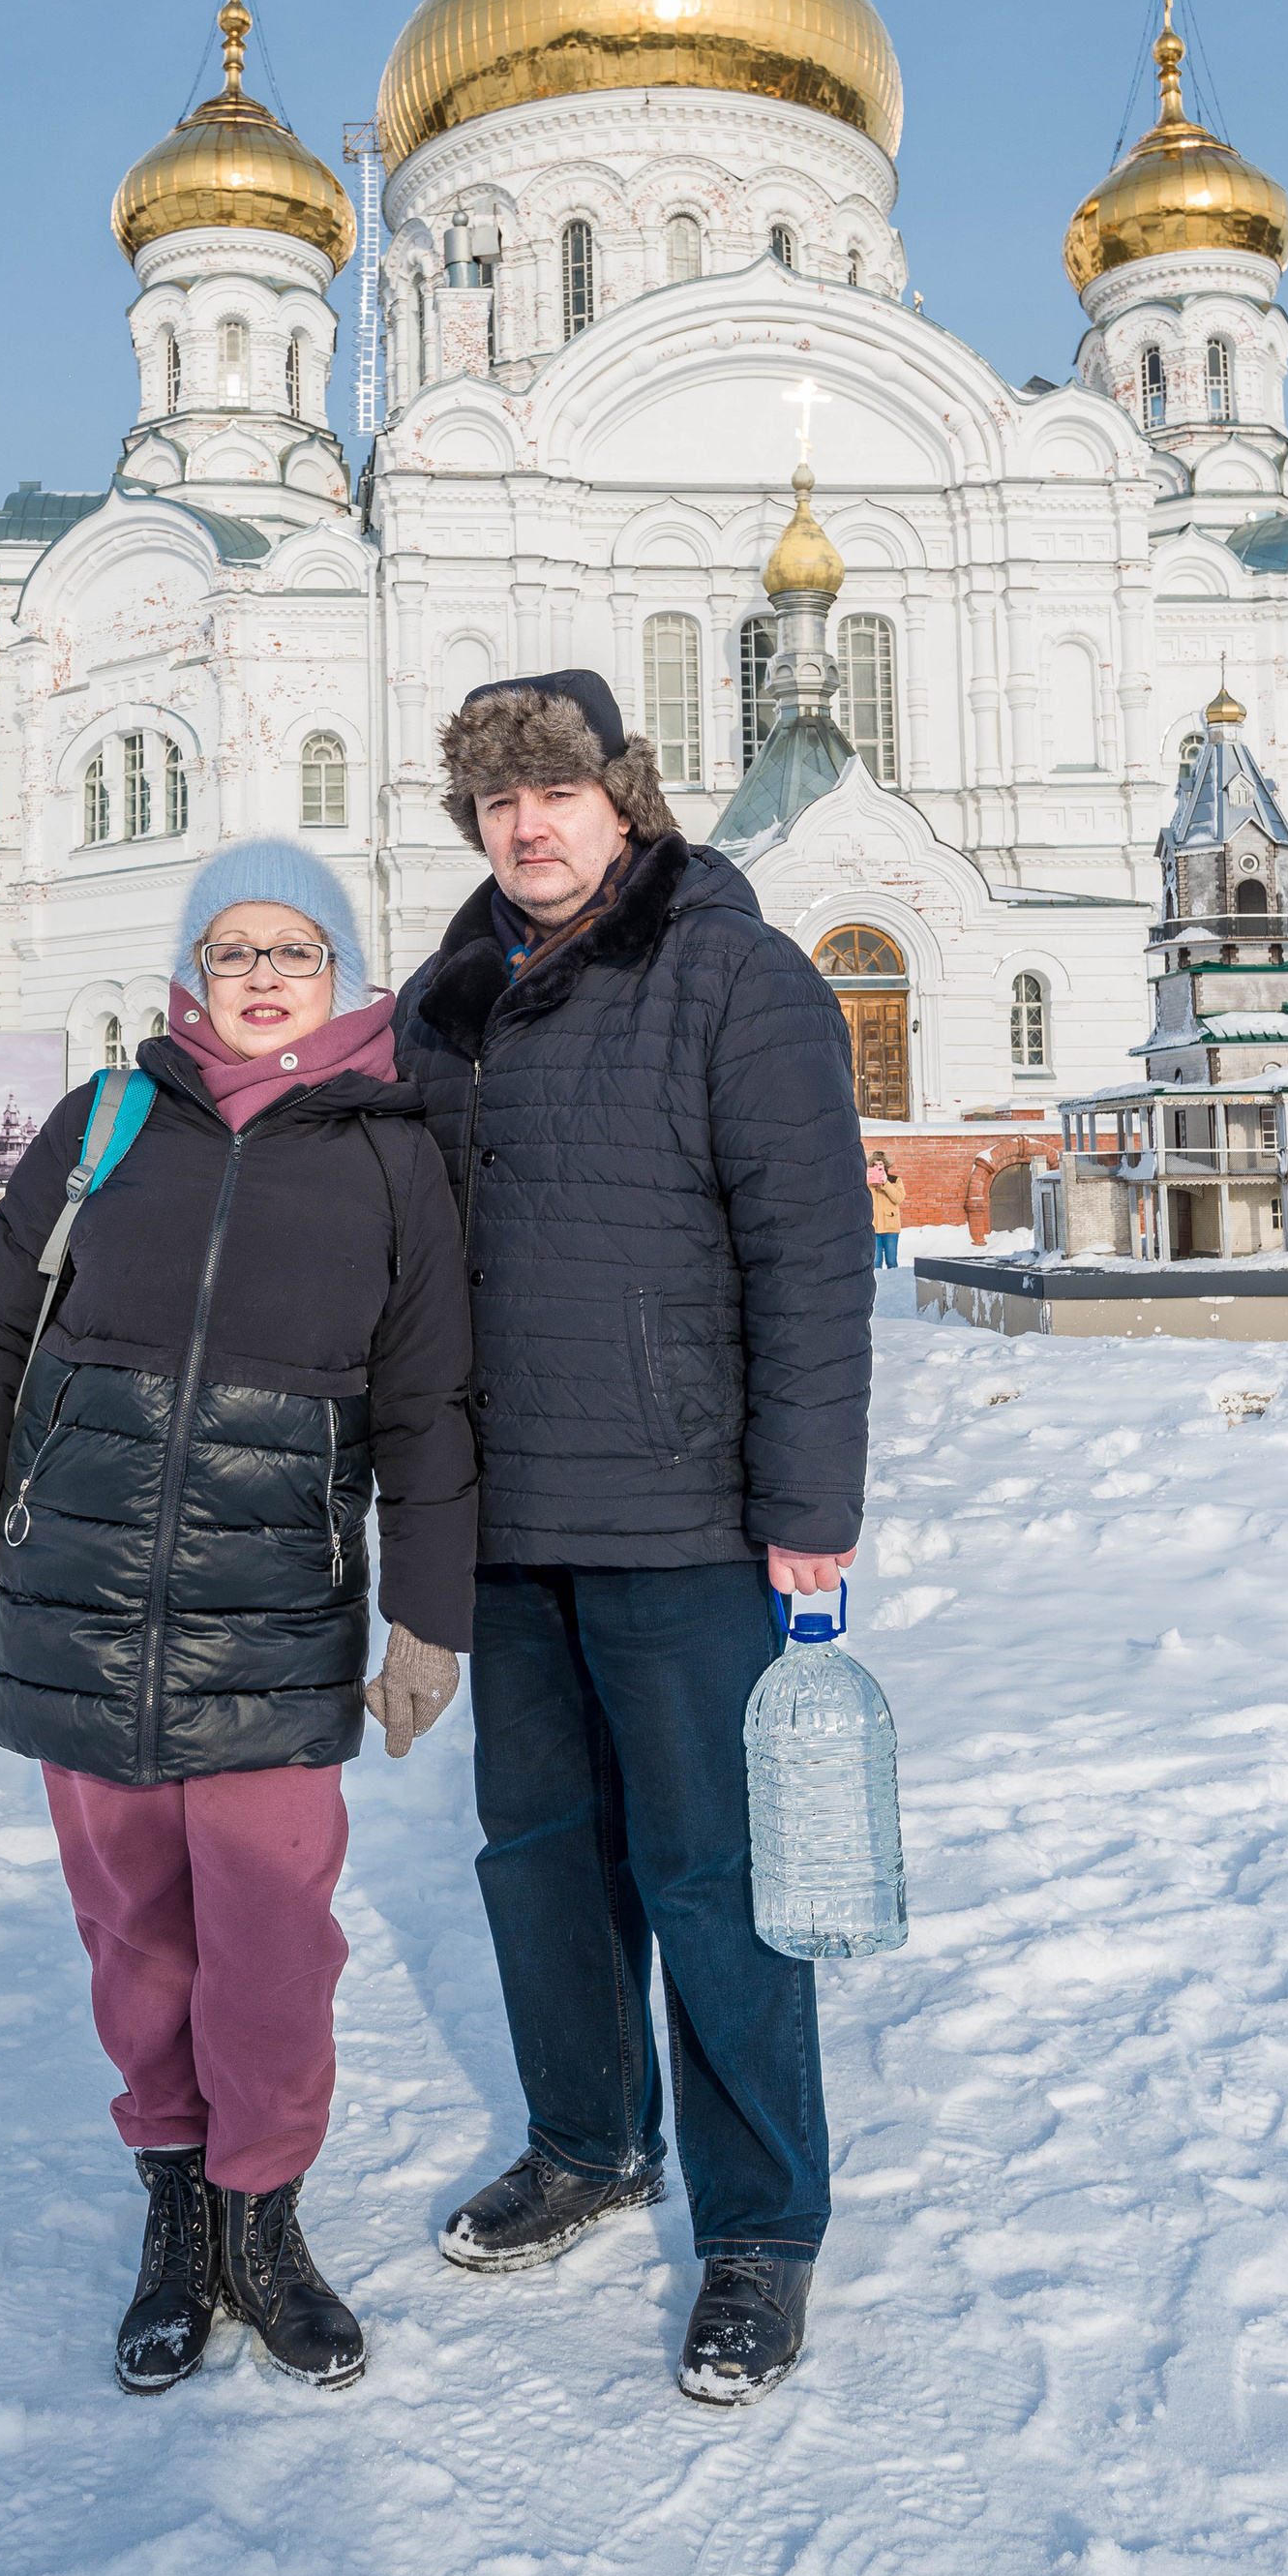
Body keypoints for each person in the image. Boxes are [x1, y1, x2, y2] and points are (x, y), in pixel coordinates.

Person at [0, 841, 475, 2397]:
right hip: (76, 1593)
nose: (267, 971)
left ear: (347, 972)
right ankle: (174, 2198)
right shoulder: (108, 1122)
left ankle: (261, 2213)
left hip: (274, 1610)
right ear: (190, 975)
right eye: (235, 949)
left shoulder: (393, 1154)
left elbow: (430, 1408)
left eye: (297, 946)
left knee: (275, 1937)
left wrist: (427, 1620)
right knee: (133, 1931)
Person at [393, 668, 873, 2407]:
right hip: (506, 1517)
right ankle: (589, 2143)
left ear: (627, 802)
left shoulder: (735, 977)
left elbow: (813, 1258)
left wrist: (808, 1505)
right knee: (541, 1861)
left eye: (558, 796)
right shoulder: (444, 1002)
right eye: (499, 804)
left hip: (685, 1516)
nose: (528, 826)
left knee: (718, 1883)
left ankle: (761, 2229)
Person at [867, 1150, 906, 1272]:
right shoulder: (866, 1182)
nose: (878, 1167)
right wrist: (867, 1182)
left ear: (885, 1166)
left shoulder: (895, 1180)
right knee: (875, 1262)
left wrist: (886, 1183)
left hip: (890, 1228)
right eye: (874, 1165)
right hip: (873, 1227)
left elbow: (898, 1198)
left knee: (891, 1262)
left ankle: (893, 1287)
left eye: (880, 1165)